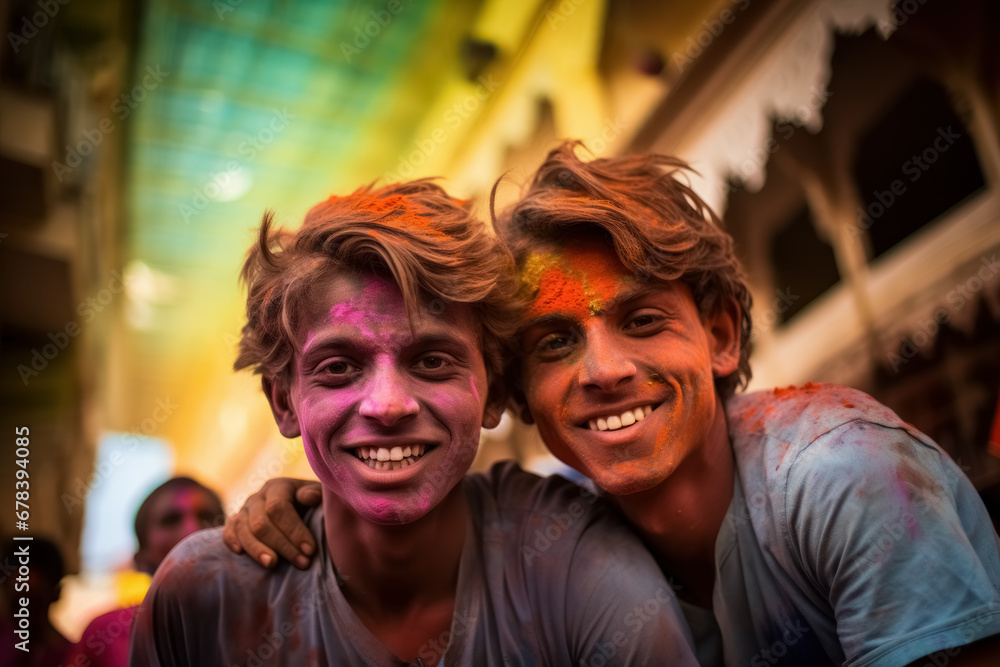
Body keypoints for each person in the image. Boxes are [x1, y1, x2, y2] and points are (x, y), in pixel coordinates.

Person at [229, 142, 1000, 667]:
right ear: (516, 390)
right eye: (555, 342)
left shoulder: (847, 474)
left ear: (721, 333)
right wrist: (308, 507)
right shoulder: (561, 531)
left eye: (641, 320)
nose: (603, 370)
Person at [130, 180, 698, 666]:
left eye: (431, 361)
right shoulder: (205, 599)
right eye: (338, 367)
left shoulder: (575, 561)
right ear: (284, 402)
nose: (388, 405)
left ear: (494, 392)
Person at [66, 477, 225, 667]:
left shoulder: (261, 618)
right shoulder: (105, 635)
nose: (193, 530)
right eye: (171, 520)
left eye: (207, 516)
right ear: (141, 562)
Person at [0, 536, 73, 667]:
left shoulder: (71, 655)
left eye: (32, 601)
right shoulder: (72, 654)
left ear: (56, 593)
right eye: (19, 600)